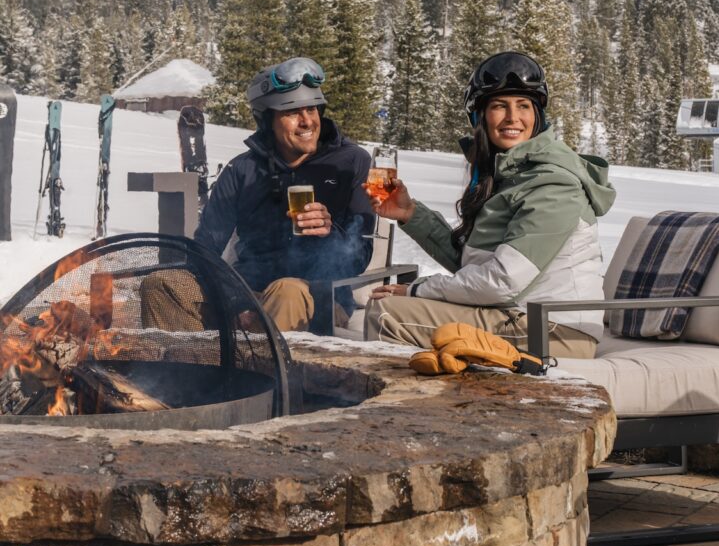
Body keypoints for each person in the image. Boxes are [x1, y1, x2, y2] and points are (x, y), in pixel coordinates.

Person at [364, 51, 615, 357]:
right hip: (518, 316)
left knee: (389, 313)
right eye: (499, 106)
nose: (512, 117)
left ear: (537, 116)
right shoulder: (511, 177)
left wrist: (417, 288)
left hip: (554, 331)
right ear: (480, 117)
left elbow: (501, 281)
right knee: (393, 308)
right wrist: (410, 214)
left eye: (523, 105)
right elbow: (477, 268)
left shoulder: (554, 186)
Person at [142, 56, 374, 334]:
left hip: (319, 298)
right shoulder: (242, 170)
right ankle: (189, 361)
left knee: (286, 291)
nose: (307, 122)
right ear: (267, 120)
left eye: (312, 109)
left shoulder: (350, 163)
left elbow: (360, 257)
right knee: (160, 284)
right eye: (292, 112)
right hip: (247, 290)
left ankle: (263, 362)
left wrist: (329, 233)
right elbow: (205, 250)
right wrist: (236, 302)